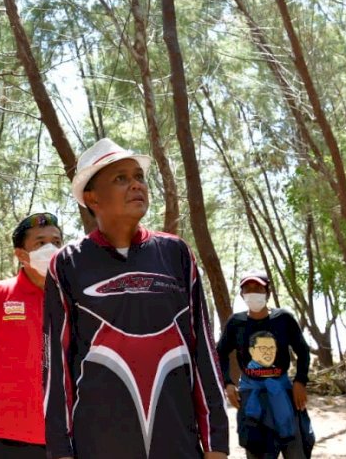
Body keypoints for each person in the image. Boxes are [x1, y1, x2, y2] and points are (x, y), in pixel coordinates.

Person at [43, 138, 229, 459]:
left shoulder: (177, 254)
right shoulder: (67, 264)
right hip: (98, 447)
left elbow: (204, 354)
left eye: (139, 177)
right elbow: (56, 369)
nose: (136, 185)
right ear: (92, 198)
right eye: (121, 178)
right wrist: (61, 450)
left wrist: (216, 444)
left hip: (177, 446)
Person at [0, 212, 62, 459]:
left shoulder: (71, 299)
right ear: (21, 254)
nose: (51, 249)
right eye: (40, 243)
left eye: (57, 242)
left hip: (59, 437)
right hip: (0, 435)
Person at [216, 272, 311, 459]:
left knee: (296, 449)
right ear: (242, 294)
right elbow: (219, 353)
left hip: (284, 394)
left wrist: (300, 381)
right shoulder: (236, 323)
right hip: (251, 398)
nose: (253, 293)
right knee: (257, 451)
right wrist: (227, 384)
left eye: (258, 288)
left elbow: (303, 350)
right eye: (247, 289)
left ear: (267, 291)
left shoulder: (283, 318)